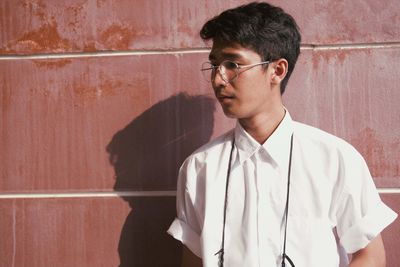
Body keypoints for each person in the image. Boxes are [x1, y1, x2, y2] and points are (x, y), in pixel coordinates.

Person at [167, 2, 397, 267]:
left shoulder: (334, 158)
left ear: (277, 70)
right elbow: (193, 261)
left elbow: (371, 255)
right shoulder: (199, 168)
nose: (219, 79)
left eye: (232, 64)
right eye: (215, 64)